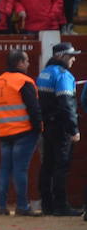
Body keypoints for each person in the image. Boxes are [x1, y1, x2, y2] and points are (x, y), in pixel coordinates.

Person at [0, 50, 42, 216]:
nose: (28, 64)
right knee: (20, 170)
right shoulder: (23, 81)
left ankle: (2, 206)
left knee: (5, 169)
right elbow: (33, 108)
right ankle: (22, 206)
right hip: (24, 131)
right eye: (26, 61)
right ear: (19, 62)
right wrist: (39, 127)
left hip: (5, 132)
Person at [36, 43, 81, 216]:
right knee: (61, 166)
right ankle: (61, 205)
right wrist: (73, 129)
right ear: (61, 56)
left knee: (48, 164)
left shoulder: (44, 73)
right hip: (61, 127)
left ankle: (47, 204)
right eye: (71, 56)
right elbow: (67, 104)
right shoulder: (64, 76)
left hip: (47, 126)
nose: (73, 59)